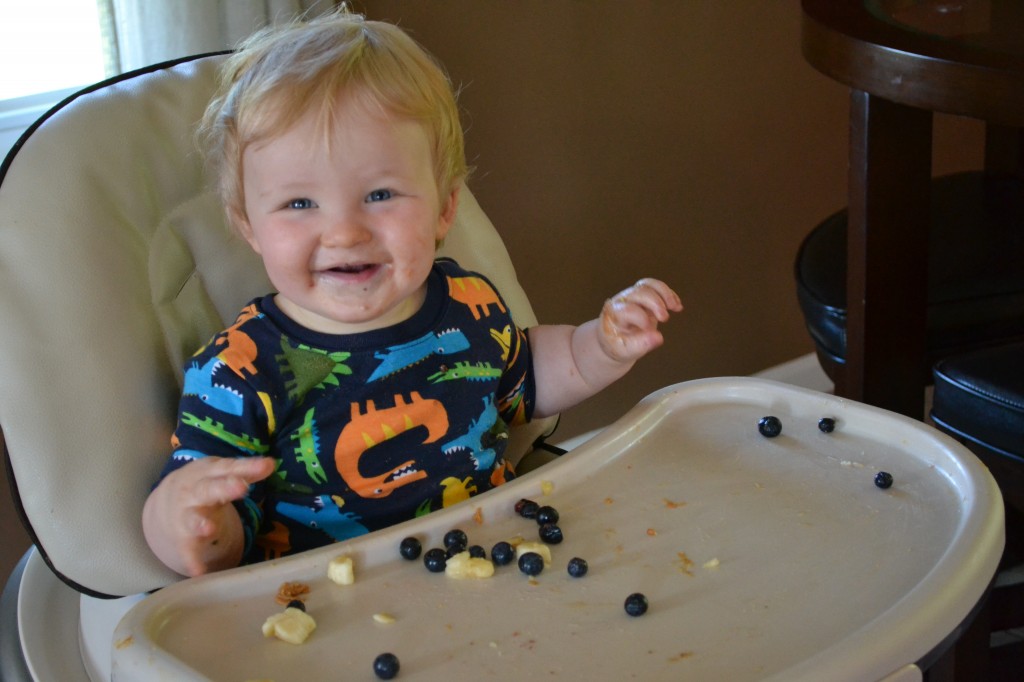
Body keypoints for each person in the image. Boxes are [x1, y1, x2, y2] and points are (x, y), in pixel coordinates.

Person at [142, 8, 682, 578]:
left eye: (380, 194)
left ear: (445, 207)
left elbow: (530, 381)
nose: (345, 232)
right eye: (300, 204)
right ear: (248, 225)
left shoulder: (468, 306)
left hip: (496, 564)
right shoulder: (239, 371)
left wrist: (600, 344)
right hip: (330, 606)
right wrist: (191, 524)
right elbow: (215, 530)